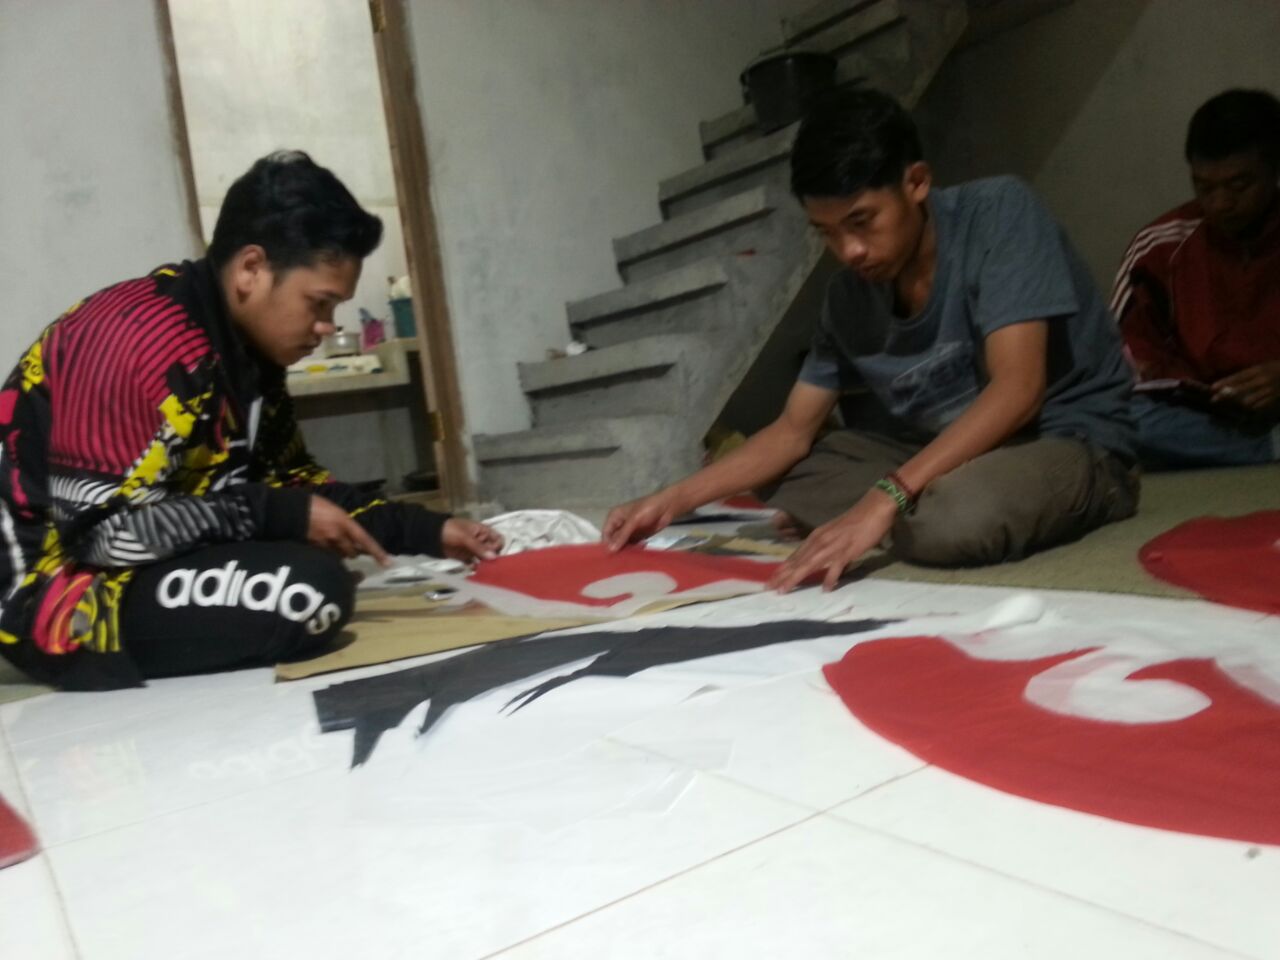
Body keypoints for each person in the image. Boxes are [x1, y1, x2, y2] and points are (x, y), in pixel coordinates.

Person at [0, 151, 501, 690]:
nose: (327, 327)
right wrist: (277, 513)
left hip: (130, 564)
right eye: (319, 304)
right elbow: (101, 537)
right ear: (251, 269)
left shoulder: (249, 358)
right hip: (52, 593)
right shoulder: (134, 339)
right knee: (308, 592)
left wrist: (428, 530)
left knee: (308, 564)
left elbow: (296, 484)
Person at [603, 88, 1138, 591]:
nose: (850, 251)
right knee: (787, 469)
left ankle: (910, 509)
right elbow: (791, 431)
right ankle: (911, 505)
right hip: (939, 455)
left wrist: (883, 499)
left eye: (861, 222)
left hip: (1060, 440)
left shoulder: (999, 213)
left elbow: (1018, 390)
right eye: (828, 233)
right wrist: (671, 499)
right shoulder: (846, 297)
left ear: (917, 183)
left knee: (955, 518)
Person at [1111, 88, 1280, 468]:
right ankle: (1267, 448)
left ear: (1274, 170)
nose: (1221, 203)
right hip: (1207, 417)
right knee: (1111, 417)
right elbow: (1128, 358)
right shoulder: (1160, 246)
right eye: (1204, 187)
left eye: (1239, 186)